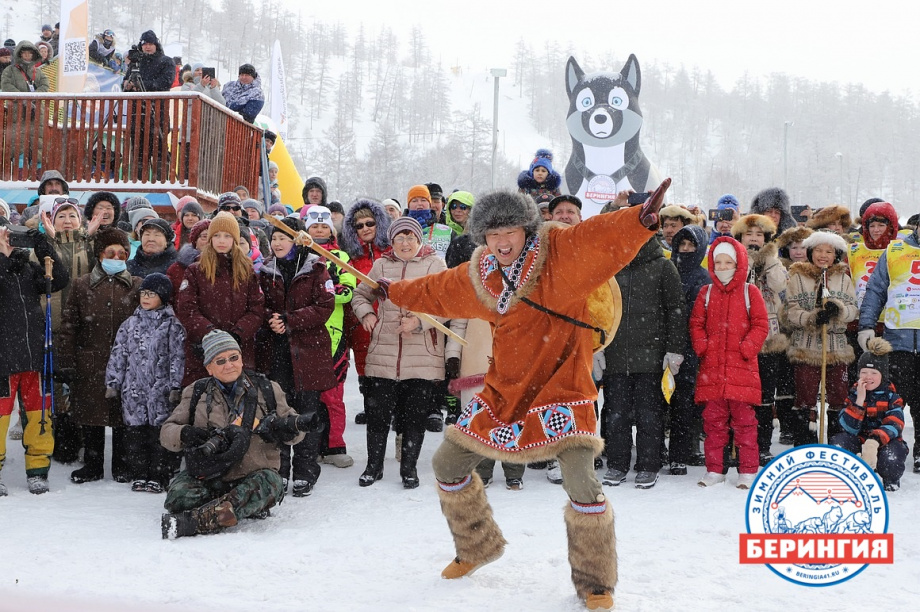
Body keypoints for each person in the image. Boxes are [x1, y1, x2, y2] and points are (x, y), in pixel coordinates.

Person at [377, 182, 671, 611]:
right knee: (446, 464)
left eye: (509, 232)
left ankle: (595, 583)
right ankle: (477, 546)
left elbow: (599, 238)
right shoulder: (481, 275)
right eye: (491, 235)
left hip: (563, 390)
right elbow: (437, 289)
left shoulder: (560, 255)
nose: (500, 242)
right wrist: (394, 292)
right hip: (505, 393)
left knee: (582, 485)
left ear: (526, 230)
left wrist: (639, 218)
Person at [159, 330, 304, 539]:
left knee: (269, 484)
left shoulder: (267, 388)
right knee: (178, 498)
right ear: (209, 368)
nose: (229, 365)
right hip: (209, 473)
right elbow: (166, 432)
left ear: (242, 359)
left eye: (234, 358)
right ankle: (238, 505)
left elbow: (296, 431)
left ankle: (193, 523)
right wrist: (184, 433)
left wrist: (284, 430)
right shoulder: (196, 391)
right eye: (220, 361)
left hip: (255, 473)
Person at [351, 217, 447, 489]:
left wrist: (419, 322)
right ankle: (374, 466)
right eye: (400, 238)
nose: (406, 243)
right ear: (391, 241)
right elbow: (360, 296)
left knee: (414, 416)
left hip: (422, 355)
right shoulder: (382, 265)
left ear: (420, 240)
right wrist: (367, 314)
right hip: (384, 351)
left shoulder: (434, 265)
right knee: (378, 413)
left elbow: (447, 303)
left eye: (411, 238)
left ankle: (409, 468)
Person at [256, 216, 335, 497]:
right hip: (276, 352)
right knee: (279, 411)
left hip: (308, 351)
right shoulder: (265, 271)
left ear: (296, 240)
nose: (277, 243)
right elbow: (258, 303)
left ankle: (305, 470)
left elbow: (325, 305)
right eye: (274, 238)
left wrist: (291, 320)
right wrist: (271, 319)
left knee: (307, 413)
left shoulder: (316, 268)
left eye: (283, 238)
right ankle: (280, 469)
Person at [601, 227, 685, 489]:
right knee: (617, 415)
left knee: (650, 415)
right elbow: (599, 309)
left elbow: (676, 309)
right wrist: (598, 346)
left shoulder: (662, 266)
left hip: (651, 357)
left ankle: (649, 465)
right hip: (616, 356)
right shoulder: (610, 268)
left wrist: (674, 348)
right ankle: (617, 464)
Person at [58, 227, 141, 484]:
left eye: (121, 253)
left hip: (125, 362)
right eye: (110, 252)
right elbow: (69, 325)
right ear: (99, 254)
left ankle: (122, 464)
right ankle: (93, 464)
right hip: (90, 360)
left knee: (121, 415)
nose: (116, 257)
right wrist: (67, 361)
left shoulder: (137, 285)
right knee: (91, 415)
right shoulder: (82, 285)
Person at [690, 237, 769, 488]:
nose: (723, 267)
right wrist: (702, 346)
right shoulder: (706, 292)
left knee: (745, 423)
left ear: (739, 264)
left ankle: (747, 470)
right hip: (712, 370)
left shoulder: (750, 291)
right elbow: (696, 323)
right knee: (713, 423)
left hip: (742, 369)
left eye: (728, 262)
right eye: (719, 262)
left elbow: (760, 324)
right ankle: (715, 469)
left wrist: (747, 347)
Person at [0, 224, 68, 495]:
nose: (10, 240)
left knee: (39, 416)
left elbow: (60, 278)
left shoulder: (28, 269)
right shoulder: (3, 267)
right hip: (3, 361)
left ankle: (38, 470)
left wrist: (41, 244)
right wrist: (2, 257)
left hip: (35, 358)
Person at [105, 273, 186, 493]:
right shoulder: (130, 323)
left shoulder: (172, 325)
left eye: (151, 294)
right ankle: (139, 473)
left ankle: (159, 475)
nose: (146, 298)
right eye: (143, 293)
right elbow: (119, 353)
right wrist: (113, 382)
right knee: (135, 434)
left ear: (163, 297)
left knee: (158, 434)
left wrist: (175, 385)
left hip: (160, 390)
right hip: (133, 389)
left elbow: (177, 356)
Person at [858, 215, 920, 474]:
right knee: (893, 400)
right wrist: (867, 325)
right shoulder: (895, 250)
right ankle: (887, 449)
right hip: (898, 341)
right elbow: (875, 289)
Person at [784, 230, 858, 445]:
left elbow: (854, 310)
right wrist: (812, 318)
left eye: (829, 251)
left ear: (836, 255)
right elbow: (790, 311)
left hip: (837, 348)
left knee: (838, 396)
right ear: (810, 252)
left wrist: (839, 310)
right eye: (818, 250)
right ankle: (806, 441)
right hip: (806, 347)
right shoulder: (797, 277)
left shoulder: (844, 278)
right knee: (805, 397)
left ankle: (837, 440)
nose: (823, 255)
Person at [177, 212, 265, 386]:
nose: (221, 240)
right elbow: (187, 309)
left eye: (227, 236)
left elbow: (257, 309)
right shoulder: (195, 270)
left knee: (239, 405)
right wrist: (211, 333)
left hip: (239, 351)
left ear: (235, 239)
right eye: (216, 235)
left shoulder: (246, 271)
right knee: (204, 404)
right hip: (203, 351)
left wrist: (237, 334)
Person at [302, 207, 357, 468]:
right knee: (308, 396)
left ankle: (335, 445)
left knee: (333, 395)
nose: (320, 230)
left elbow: (348, 290)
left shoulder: (340, 256)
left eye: (324, 226)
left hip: (333, 335)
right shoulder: (300, 255)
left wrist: (323, 293)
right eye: (315, 226)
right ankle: (310, 444)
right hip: (304, 333)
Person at [732, 213, 788, 465]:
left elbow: (778, 285)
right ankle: (738, 445)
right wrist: (745, 261)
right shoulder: (731, 257)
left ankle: (762, 444)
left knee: (765, 395)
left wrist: (767, 259)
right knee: (739, 394)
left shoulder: (773, 259)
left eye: (759, 235)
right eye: (748, 234)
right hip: (738, 335)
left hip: (769, 334)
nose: (753, 239)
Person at [830, 338, 908, 491]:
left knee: (891, 459)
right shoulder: (853, 394)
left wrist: (874, 441)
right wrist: (859, 400)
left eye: (874, 372)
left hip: (885, 442)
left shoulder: (893, 397)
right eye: (864, 372)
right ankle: (850, 475)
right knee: (838, 443)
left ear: (882, 375)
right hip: (859, 439)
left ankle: (888, 477)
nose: (868, 377)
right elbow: (848, 428)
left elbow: (894, 424)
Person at [340, 199, 391, 425]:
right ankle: (371, 406)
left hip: (389, 320)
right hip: (360, 322)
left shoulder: (391, 253)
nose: (365, 228)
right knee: (364, 365)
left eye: (369, 223)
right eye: (359, 225)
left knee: (388, 369)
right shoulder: (351, 258)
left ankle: (390, 409)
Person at [666, 224, 711, 473]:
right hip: (666, 344)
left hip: (692, 347)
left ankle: (683, 451)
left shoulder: (704, 278)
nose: (685, 250)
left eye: (690, 245)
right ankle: (664, 451)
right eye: (681, 245)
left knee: (687, 401)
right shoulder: (669, 270)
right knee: (664, 401)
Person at [122, 31, 175, 182]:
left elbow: (165, 83)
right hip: (136, 115)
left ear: (156, 45)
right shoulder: (136, 63)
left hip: (158, 113)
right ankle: (137, 184)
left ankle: (161, 185)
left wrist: (143, 85)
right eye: (144, 44)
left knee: (159, 152)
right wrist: (128, 85)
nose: (147, 47)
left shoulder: (166, 61)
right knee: (138, 153)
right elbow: (125, 83)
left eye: (150, 44)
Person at [405, 184, 455, 261]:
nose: (419, 203)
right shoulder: (397, 229)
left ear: (429, 204)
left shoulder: (447, 231)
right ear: (408, 205)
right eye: (414, 200)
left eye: (423, 200)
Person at [167, 218, 209, 301]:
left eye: (213, 236)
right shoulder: (177, 269)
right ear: (195, 241)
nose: (209, 241)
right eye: (204, 237)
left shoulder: (227, 265)